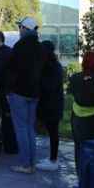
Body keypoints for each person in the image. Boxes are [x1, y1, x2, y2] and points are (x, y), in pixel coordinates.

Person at [5, 17, 44, 174]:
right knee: (30, 128)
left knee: (21, 129)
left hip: (19, 93)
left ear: (25, 29)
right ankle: (32, 163)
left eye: (20, 27)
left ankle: (25, 164)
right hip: (35, 93)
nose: (19, 30)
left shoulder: (20, 46)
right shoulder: (40, 48)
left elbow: (11, 71)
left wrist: (8, 91)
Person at [68, 51, 94, 176]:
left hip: (78, 117)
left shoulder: (75, 78)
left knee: (79, 147)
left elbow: (72, 93)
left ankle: (81, 175)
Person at [35, 41, 65, 171]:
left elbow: (49, 86)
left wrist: (38, 82)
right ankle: (52, 158)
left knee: (53, 132)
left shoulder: (54, 67)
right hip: (50, 104)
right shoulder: (50, 65)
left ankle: (53, 160)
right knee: (52, 131)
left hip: (52, 105)